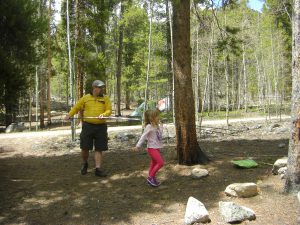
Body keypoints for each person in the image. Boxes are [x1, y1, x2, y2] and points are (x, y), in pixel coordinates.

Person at [65, 80, 112, 177]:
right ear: (94, 87)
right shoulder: (85, 98)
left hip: (101, 127)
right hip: (88, 126)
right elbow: (76, 108)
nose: (101, 89)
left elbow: (109, 110)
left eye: (102, 87)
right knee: (85, 147)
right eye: (99, 87)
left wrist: (104, 114)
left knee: (99, 148)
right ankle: (85, 163)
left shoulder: (105, 98)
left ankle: (98, 169)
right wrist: (69, 115)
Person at [133, 109, 164, 187]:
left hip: (157, 147)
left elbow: (160, 135)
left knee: (154, 163)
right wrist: (137, 146)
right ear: (151, 118)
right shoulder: (149, 126)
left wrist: (161, 126)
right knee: (160, 163)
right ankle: (150, 178)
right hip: (151, 148)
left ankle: (151, 179)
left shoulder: (156, 125)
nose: (159, 117)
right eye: (157, 116)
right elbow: (143, 137)